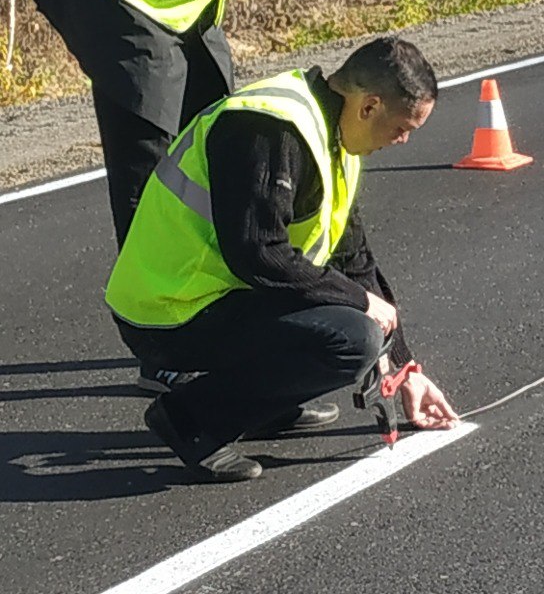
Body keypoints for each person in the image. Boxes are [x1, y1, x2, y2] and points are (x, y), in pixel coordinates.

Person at [27, 0, 406, 392]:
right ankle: (158, 343)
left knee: (226, 145)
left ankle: (227, 318)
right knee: (149, 172)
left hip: (190, 11)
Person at [103, 37, 459, 482]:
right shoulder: (270, 128)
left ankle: (263, 407)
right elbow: (257, 253)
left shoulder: (332, 137)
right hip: (168, 310)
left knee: (351, 316)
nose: (403, 140)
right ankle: (190, 420)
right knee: (352, 339)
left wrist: (407, 370)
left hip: (218, 297)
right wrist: (362, 303)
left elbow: (355, 260)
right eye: (402, 127)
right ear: (369, 106)